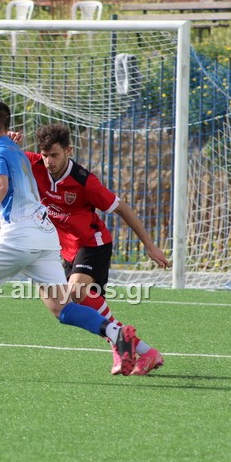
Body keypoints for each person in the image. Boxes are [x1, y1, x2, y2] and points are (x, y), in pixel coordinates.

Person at [0, 100, 141, 378]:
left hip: (19, 237)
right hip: (45, 236)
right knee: (62, 308)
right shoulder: (16, 151)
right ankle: (118, 334)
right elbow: (11, 190)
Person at [19, 123, 170, 376]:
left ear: (68, 150)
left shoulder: (85, 182)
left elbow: (123, 209)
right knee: (71, 305)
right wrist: (9, 142)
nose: (48, 161)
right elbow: (3, 155)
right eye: (44, 155)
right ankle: (145, 351)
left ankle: (119, 344)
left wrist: (150, 246)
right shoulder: (34, 164)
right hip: (66, 250)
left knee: (76, 291)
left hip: (93, 243)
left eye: (54, 155)